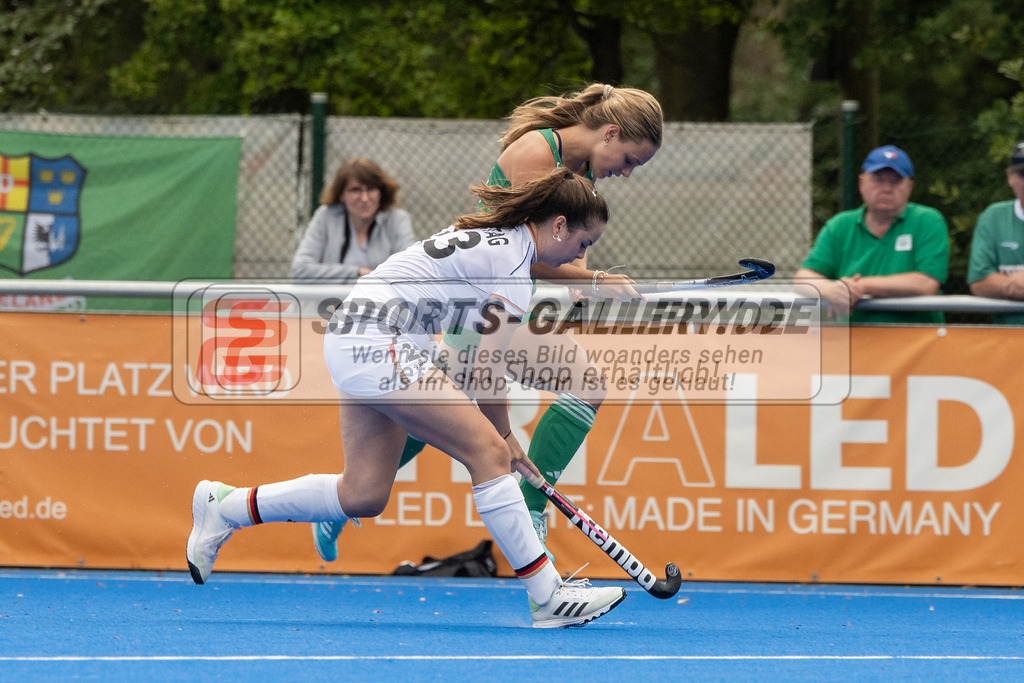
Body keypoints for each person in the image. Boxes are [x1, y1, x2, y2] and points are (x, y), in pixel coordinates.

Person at [187, 168, 627, 628]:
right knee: (490, 452)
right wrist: (505, 437)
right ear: (558, 226)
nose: (581, 255)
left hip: (363, 334)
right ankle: (548, 595)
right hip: (379, 340)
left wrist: (591, 278)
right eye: (584, 243)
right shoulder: (513, 264)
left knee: (363, 493)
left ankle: (227, 506)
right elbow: (487, 368)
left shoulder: (504, 240)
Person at [311, 83, 664, 564]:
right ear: (611, 132)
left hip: (497, 302)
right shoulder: (537, 154)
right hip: (478, 306)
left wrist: (584, 278)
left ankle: (343, 502)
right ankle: (531, 513)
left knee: (447, 418)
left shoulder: (579, 169)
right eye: (628, 159)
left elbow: (553, 257)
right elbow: (522, 257)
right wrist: (594, 276)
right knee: (571, 387)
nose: (625, 172)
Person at [795, 145, 950, 323]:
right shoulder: (840, 225)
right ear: (861, 183)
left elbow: (926, 284)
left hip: (917, 343)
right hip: (852, 342)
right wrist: (831, 289)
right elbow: (803, 278)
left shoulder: (927, 221)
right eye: (877, 179)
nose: (886, 188)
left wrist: (859, 287)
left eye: (896, 181)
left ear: (910, 186)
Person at [290, 158, 415, 282]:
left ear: (381, 192)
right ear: (341, 194)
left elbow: (409, 271)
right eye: (355, 190)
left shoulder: (397, 219)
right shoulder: (325, 216)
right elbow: (300, 270)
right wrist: (357, 272)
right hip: (329, 301)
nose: (364, 198)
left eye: (371, 189)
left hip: (380, 300)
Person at [967, 141, 1024, 324]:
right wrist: (1013, 285)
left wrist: (1004, 284)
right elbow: (979, 281)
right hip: (1005, 339)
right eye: (1023, 174)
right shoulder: (993, 217)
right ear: (1010, 177)